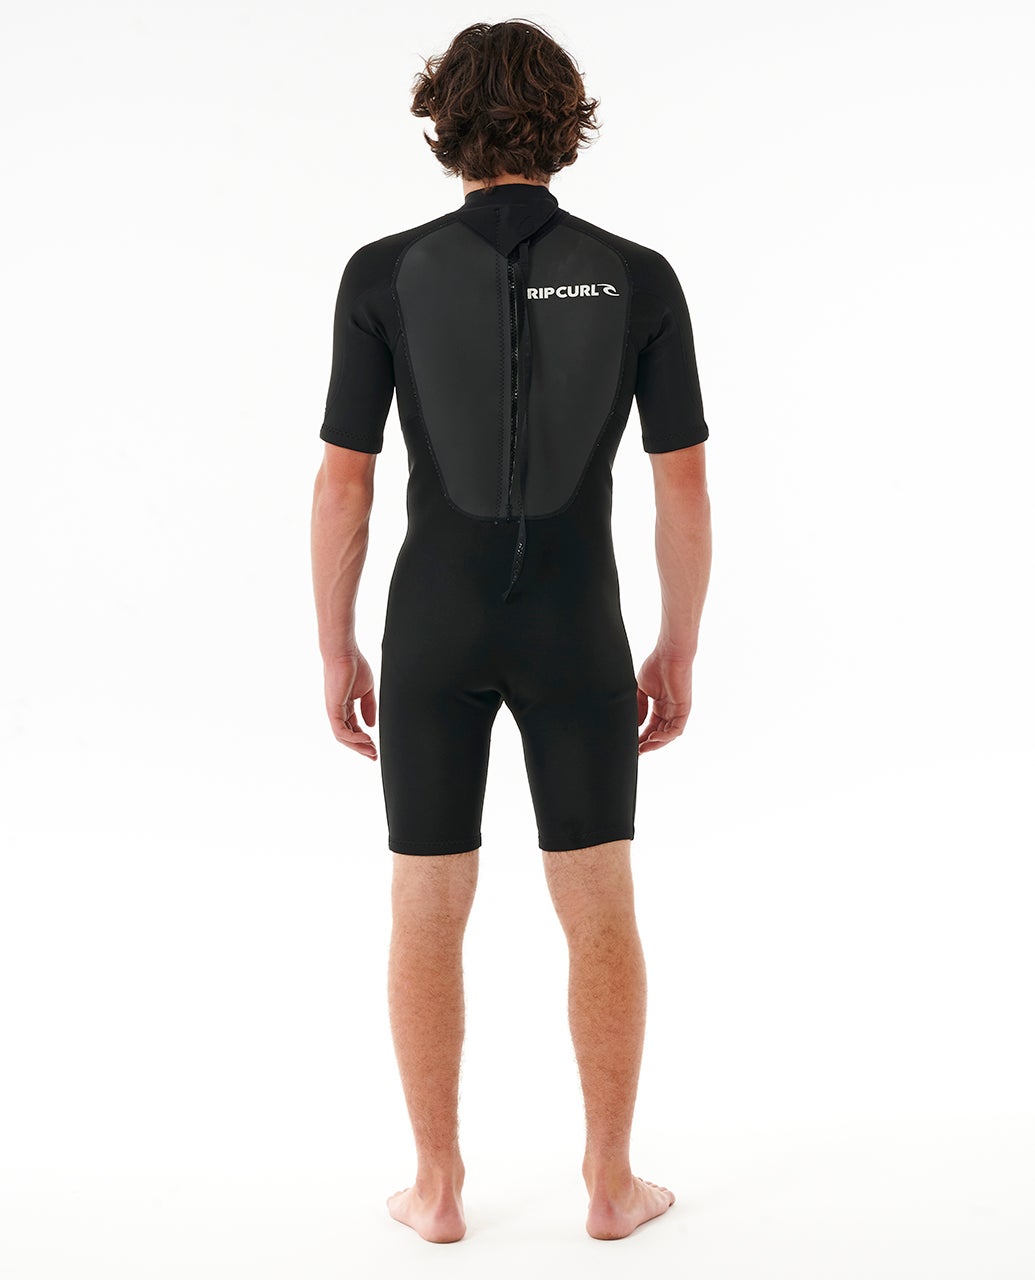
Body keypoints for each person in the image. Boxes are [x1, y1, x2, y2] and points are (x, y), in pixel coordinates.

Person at [310, 19, 712, 1243]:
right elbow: (683, 489)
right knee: (599, 902)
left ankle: (436, 1187)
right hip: (577, 627)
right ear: (565, 120)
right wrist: (676, 644)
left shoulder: (383, 273)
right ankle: (611, 1184)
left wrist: (337, 645)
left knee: (426, 904)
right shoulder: (638, 276)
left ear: (445, 123)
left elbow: (344, 485)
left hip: (430, 625)